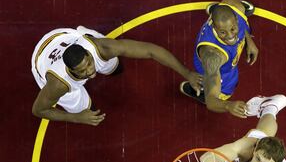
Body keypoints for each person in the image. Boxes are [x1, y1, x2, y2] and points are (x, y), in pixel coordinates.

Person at [31, 26, 202, 126]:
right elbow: (38, 110)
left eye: (89, 64)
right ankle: (80, 111)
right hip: (42, 59)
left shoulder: (100, 48)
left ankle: (108, 68)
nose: (89, 72)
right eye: (81, 72)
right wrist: (76, 118)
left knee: (115, 66)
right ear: (72, 71)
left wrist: (187, 73)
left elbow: (151, 51)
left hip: (63, 37)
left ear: (90, 55)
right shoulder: (59, 84)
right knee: (86, 112)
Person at [180, 0, 258, 118]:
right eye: (223, 32)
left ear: (236, 20)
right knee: (219, 93)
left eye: (233, 29)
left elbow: (237, 26)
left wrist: (249, 40)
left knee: (230, 2)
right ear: (215, 28)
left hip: (225, 51)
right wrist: (228, 105)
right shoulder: (213, 57)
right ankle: (201, 92)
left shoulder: (234, 15)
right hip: (218, 74)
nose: (230, 36)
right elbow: (211, 102)